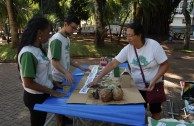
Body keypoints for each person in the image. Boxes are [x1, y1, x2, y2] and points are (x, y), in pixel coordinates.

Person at [88, 22, 169, 120]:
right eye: (126, 35)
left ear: (139, 35)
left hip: (153, 86)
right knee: (139, 114)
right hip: (137, 88)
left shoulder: (153, 45)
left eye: (130, 36)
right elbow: (113, 63)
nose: (127, 38)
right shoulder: (128, 49)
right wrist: (98, 79)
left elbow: (165, 65)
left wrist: (154, 79)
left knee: (155, 113)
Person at [17, 15, 67, 126]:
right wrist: (52, 92)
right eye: (48, 32)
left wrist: (54, 83)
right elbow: (28, 83)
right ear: (40, 33)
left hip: (43, 94)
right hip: (35, 97)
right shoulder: (28, 53)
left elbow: (43, 72)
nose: (49, 36)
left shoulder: (38, 49)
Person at [47, 15, 90, 126]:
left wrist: (80, 67)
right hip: (56, 77)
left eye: (76, 28)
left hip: (63, 76)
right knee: (58, 103)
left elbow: (66, 57)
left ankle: (64, 118)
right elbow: (54, 62)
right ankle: (60, 123)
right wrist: (66, 72)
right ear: (65, 24)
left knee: (63, 100)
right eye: (73, 27)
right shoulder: (57, 40)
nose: (74, 30)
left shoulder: (66, 38)